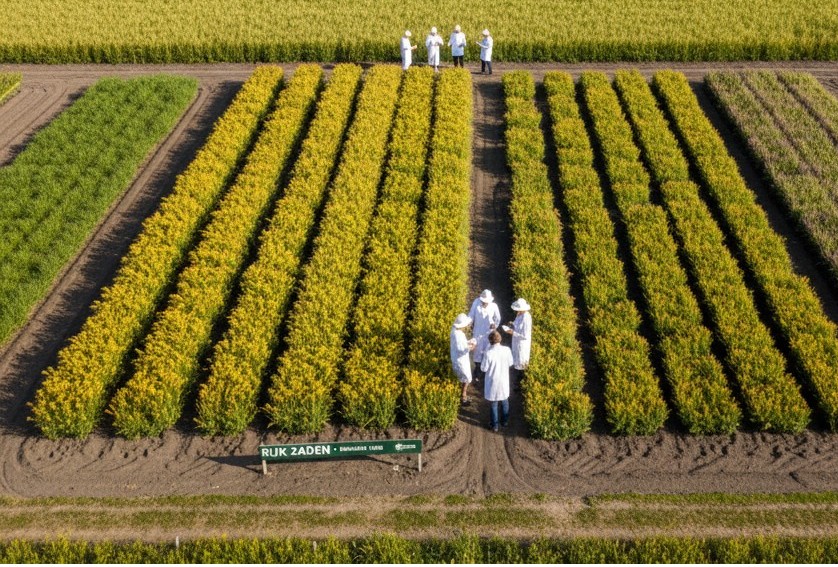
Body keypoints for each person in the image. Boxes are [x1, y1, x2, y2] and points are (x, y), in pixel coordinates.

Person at [481, 330, 513, 432]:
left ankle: (494, 425)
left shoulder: (488, 353)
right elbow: (510, 363)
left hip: (493, 382)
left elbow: (483, 368)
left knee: (494, 403)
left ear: (490, 341)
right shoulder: (507, 350)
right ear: (500, 339)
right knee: (505, 401)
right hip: (503, 380)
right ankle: (505, 422)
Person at [468, 289, 501, 384]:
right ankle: (478, 371)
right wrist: (468, 323)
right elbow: (471, 315)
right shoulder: (476, 303)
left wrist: (494, 325)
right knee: (477, 352)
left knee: (487, 351)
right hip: (477, 332)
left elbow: (498, 318)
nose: (484, 303)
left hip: (488, 333)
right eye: (483, 301)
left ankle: (485, 372)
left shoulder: (494, 306)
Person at [450, 313, 477, 405]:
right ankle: (463, 397)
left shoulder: (455, 331)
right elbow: (462, 349)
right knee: (466, 378)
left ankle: (462, 395)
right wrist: (472, 346)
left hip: (457, 357)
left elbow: (462, 344)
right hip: (460, 359)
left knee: (462, 377)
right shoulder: (458, 335)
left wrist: (468, 342)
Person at [504, 298, 531, 370]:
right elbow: (517, 324)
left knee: (521, 363)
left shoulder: (526, 318)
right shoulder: (519, 314)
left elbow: (525, 336)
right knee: (516, 360)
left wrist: (512, 332)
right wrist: (512, 324)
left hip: (522, 344)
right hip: (516, 341)